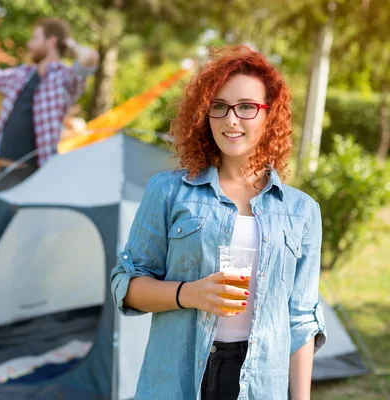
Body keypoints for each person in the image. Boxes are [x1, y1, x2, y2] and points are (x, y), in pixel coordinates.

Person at [110, 45, 326, 400]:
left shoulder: (302, 210)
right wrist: (189, 293)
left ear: (269, 115)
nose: (231, 119)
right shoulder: (168, 192)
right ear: (204, 113)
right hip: (178, 379)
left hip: (258, 383)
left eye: (246, 107)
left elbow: (301, 321)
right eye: (219, 106)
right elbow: (126, 286)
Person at [0, 16, 99, 207]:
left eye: (35, 39)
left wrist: (68, 42)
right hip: (2, 172)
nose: (30, 45)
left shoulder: (65, 78)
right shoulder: (23, 73)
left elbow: (89, 59)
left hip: (32, 175)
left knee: (24, 236)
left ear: (51, 41)